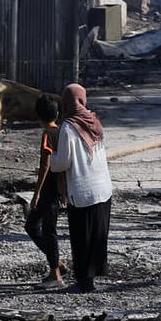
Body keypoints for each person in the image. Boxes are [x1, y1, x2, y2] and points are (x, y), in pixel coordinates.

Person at [51, 84, 113, 293]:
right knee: (97, 234)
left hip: (82, 191)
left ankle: (85, 282)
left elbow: (62, 163)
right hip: (103, 188)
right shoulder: (94, 120)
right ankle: (94, 275)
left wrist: (50, 157)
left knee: (81, 237)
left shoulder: (68, 127)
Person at [25, 97, 66, 286]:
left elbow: (45, 164)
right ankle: (56, 262)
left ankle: (55, 274)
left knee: (47, 230)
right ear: (57, 114)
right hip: (57, 187)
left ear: (37, 117)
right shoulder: (62, 132)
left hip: (48, 189)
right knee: (33, 226)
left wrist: (37, 193)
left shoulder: (47, 135)